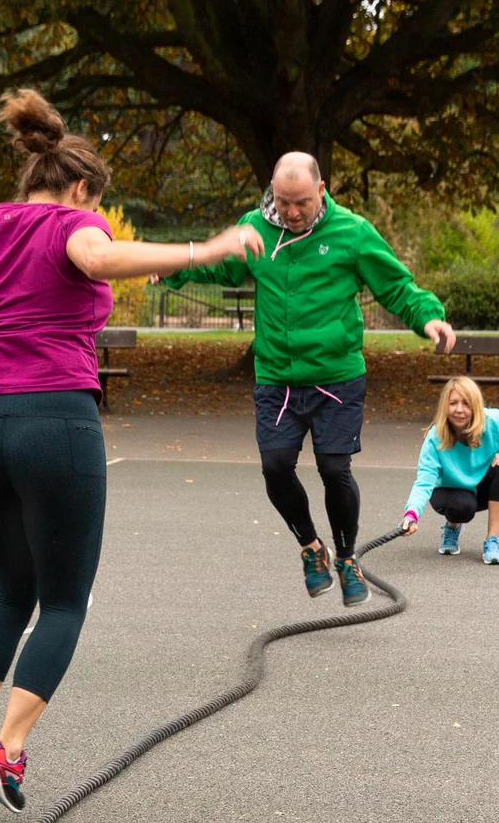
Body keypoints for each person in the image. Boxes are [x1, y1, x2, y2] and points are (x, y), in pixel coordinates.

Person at [0, 89, 263, 811]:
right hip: (53, 422)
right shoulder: (74, 225)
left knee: (10, 589)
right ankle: (7, 752)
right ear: (81, 187)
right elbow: (92, 252)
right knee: (63, 601)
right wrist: (203, 250)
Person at [163, 152, 455, 605]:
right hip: (276, 378)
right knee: (275, 467)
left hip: (336, 378)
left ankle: (345, 557)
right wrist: (173, 267)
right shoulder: (253, 229)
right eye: (282, 202)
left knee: (334, 470)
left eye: (300, 202)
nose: (292, 212)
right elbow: (218, 266)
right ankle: (311, 548)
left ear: (321, 191)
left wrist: (428, 318)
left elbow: (396, 287)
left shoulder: (352, 233)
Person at [399, 376, 499, 564]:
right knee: (461, 508)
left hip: (481, 485)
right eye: (453, 403)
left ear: (475, 406)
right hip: (448, 490)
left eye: (466, 404)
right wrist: (411, 515)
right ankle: (452, 527)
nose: (459, 410)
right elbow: (424, 481)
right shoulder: (436, 437)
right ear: (445, 407)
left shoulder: (493, 421)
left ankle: (492, 541)